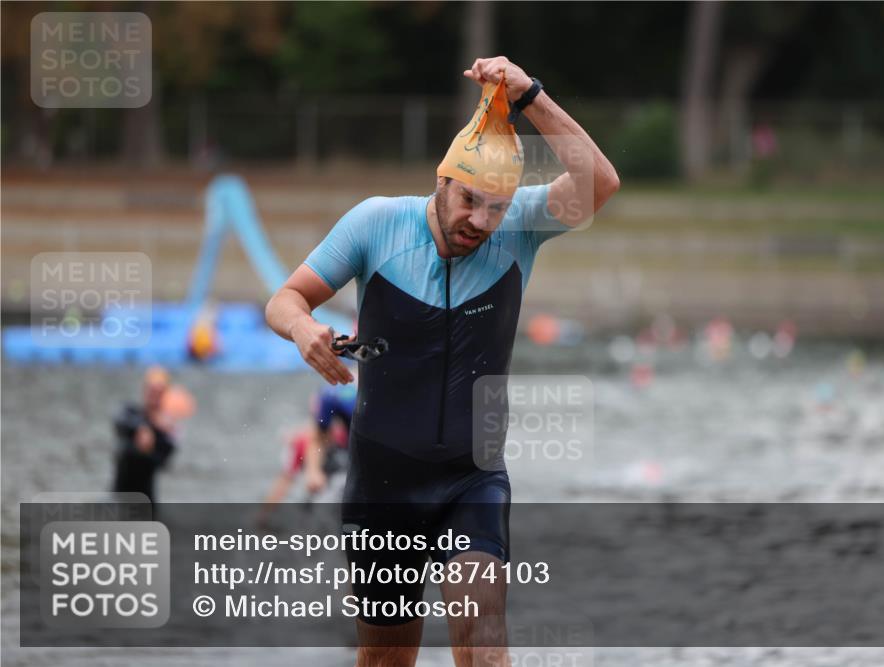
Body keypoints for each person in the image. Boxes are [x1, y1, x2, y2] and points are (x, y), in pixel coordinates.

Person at [266, 56, 619, 667]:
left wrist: (530, 94)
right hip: (384, 482)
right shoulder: (377, 224)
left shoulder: (521, 229)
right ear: (442, 180)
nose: (479, 222)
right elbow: (284, 298)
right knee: (385, 661)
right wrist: (304, 330)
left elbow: (600, 184)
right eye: (469, 201)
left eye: (496, 209)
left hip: (471, 477)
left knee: (484, 641)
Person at [258, 384, 356, 526]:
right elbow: (286, 479)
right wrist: (263, 517)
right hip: (322, 480)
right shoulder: (302, 442)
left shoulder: (340, 432)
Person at [111, 366, 194, 506]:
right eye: (151, 390)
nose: (154, 396)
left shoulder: (170, 430)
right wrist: (141, 428)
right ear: (144, 390)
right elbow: (118, 422)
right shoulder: (131, 412)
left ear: (166, 395)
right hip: (119, 496)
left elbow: (162, 461)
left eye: (159, 392)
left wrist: (153, 440)